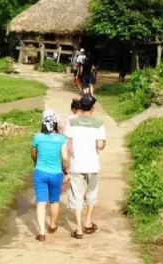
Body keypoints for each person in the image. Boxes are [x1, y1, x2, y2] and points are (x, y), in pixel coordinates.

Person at [64, 94, 106, 239]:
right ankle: (88, 222)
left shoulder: (72, 122)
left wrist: (65, 162)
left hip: (77, 165)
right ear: (93, 107)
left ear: (80, 107)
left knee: (77, 195)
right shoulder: (99, 123)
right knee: (91, 193)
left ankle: (79, 229)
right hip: (93, 165)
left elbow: (66, 142)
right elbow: (100, 146)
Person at [31, 109, 69, 242]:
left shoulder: (37, 137)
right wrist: (66, 170)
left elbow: (33, 154)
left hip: (40, 173)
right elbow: (64, 157)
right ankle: (53, 225)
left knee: (41, 202)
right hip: (56, 174)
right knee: (54, 200)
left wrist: (36, 163)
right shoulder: (61, 139)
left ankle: (41, 233)